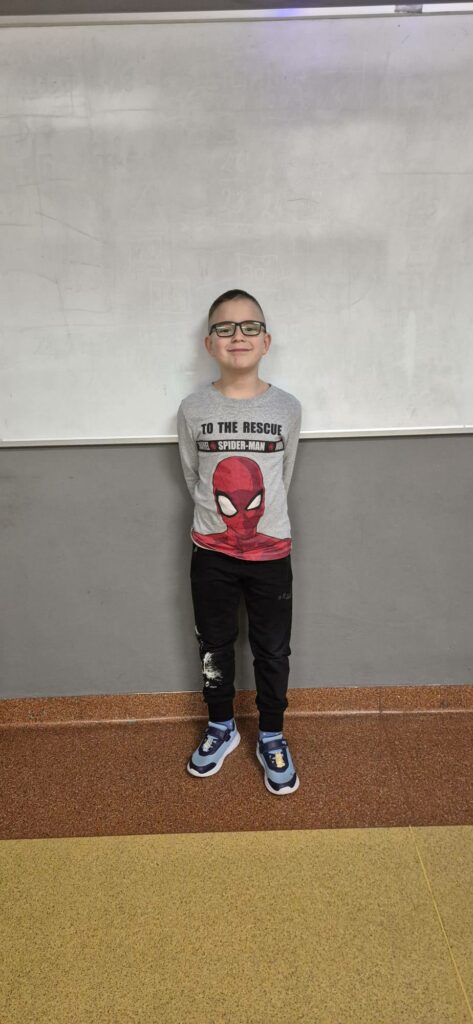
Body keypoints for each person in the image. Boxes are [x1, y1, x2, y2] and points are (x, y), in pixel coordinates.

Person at [177, 289, 302, 795]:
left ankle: (271, 733)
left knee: (272, 648)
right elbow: (194, 477)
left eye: (250, 327)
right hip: (211, 556)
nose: (238, 336)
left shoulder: (287, 408)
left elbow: (282, 476)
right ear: (209, 343)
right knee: (214, 643)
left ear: (266, 341)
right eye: (225, 328)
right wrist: (222, 519)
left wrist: (255, 518)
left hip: (273, 557)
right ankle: (221, 726)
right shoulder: (193, 408)